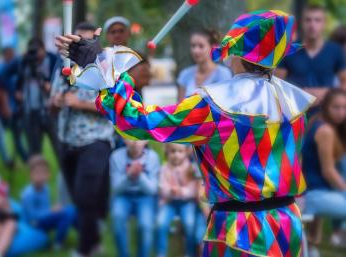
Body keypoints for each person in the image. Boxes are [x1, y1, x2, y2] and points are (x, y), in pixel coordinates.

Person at [56, 9, 316, 257]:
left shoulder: (215, 106)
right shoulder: (292, 103)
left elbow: (138, 121)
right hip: (286, 227)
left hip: (241, 235)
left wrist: (101, 67)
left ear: (236, 50)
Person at [51, 22, 114, 257]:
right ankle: (95, 237)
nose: (81, 46)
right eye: (77, 40)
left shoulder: (105, 65)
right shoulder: (62, 65)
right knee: (81, 197)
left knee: (84, 194)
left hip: (95, 140)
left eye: (87, 42)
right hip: (67, 139)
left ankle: (84, 249)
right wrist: (55, 102)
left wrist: (80, 104)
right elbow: (53, 101)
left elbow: (112, 106)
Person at [302, 89, 346, 244]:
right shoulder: (325, 130)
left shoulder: (317, 120)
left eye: (344, 107)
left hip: (317, 192)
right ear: (326, 106)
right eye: (336, 107)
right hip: (313, 195)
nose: (341, 112)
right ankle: (339, 233)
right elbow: (328, 172)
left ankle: (320, 240)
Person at [276, 5, 346, 103]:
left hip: (325, 113)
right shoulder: (289, 49)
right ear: (302, 23)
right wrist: (300, 93)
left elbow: (344, 83)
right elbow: (277, 83)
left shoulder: (335, 50)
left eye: (317, 20)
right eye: (308, 20)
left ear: (324, 23)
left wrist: (327, 92)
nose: (312, 24)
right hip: (296, 110)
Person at [110, 139, 160, 257]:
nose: (135, 142)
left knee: (145, 225)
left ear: (146, 140)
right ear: (123, 139)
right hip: (123, 195)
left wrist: (140, 176)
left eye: (140, 138)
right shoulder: (116, 157)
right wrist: (128, 175)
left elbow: (152, 189)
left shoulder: (153, 158)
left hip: (144, 196)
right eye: (131, 137)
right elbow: (116, 188)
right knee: (118, 218)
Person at [20, 155, 76, 249]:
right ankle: (58, 243)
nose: (41, 176)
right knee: (67, 212)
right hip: (34, 224)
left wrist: (52, 210)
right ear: (30, 175)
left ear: (48, 174)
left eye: (43, 172)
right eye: (37, 173)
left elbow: (45, 208)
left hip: (43, 219)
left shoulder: (45, 188)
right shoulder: (28, 194)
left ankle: (88, 236)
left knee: (72, 209)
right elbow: (32, 217)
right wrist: (51, 211)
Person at [16, 38, 58, 156]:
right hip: (31, 112)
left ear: (43, 49)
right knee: (34, 151)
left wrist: (41, 77)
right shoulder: (25, 61)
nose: (35, 55)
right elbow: (18, 85)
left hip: (50, 111)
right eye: (32, 51)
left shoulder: (53, 59)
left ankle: (64, 173)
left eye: (37, 51)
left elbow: (52, 86)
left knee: (59, 148)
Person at [157, 143, 196, 257]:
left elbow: (193, 188)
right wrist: (170, 191)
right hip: (169, 203)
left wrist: (182, 191)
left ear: (186, 152)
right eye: (173, 151)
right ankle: (161, 252)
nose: (176, 155)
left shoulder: (190, 168)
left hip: (186, 203)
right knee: (161, 222)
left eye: (180, 151)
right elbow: (161, 186)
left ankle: (189, 252)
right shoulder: (164, 168)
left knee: (189, 224)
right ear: (167, 152)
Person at [0, 47, 28, 162]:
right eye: (11, 55)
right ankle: (23, 160)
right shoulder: (2, 70)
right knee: (0, 134)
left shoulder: (12, 69)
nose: (13, 57)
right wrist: (6, 105)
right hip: (6, 109)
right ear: (5, 55)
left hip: (14, 108)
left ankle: (23, 159)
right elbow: (1, 91)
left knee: (12, 135)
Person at [177, 29, 232, 100]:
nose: (196, 50)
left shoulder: (223, 74)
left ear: (212, 47)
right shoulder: (185, 74)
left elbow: (225, 104)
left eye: (201, 46)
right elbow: (178, 107)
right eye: (193, 46)